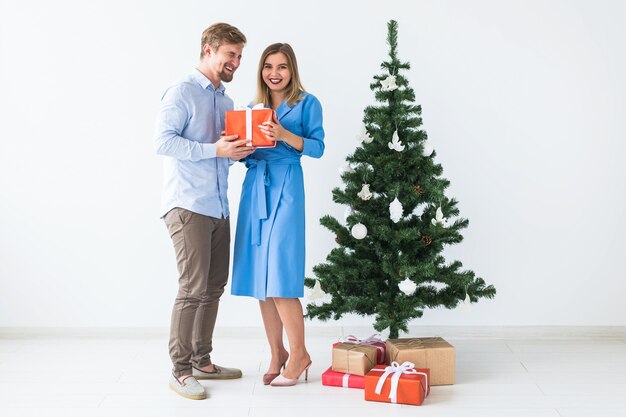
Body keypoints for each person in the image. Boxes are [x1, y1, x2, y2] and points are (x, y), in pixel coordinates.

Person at [154, 22, 255, 400]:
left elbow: (217, 157)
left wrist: (235, 154)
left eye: (240, 56)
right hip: (187, 205)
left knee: (213, 287)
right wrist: (217, 150)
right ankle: (180, 371)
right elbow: (163, 142)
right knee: (192, 288)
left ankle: (202, 361)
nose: (236, 62)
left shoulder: (226, 101)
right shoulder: (181, 91)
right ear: (208, 49)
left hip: (217, 205)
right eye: (231, 54)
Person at [231, 43, 325, 387]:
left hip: (286, 184)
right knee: (261, 277)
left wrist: (284, 135)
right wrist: (241, 146)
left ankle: (299, 354)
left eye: (282, 67)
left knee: (280, 272)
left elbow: (317, 147)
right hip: (256, 185)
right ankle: (277, 352)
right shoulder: (252, 108)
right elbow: (243, 155)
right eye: (268, 66)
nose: (274, 73)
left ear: (292, 70)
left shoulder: (307, 103)